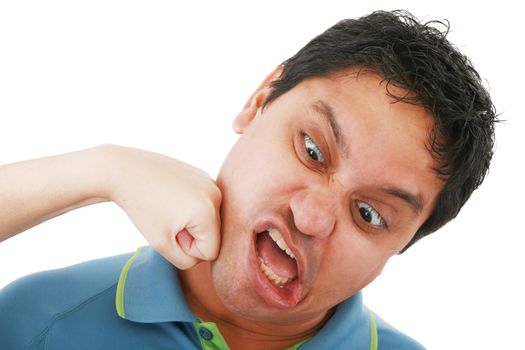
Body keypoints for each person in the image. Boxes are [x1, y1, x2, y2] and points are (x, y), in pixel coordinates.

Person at [0, 10, 497, 350]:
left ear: (402, 246)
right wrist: (100, 169)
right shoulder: (39, 320)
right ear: (260, 100)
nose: (312, 217)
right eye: (311, 150)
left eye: (369, 214)